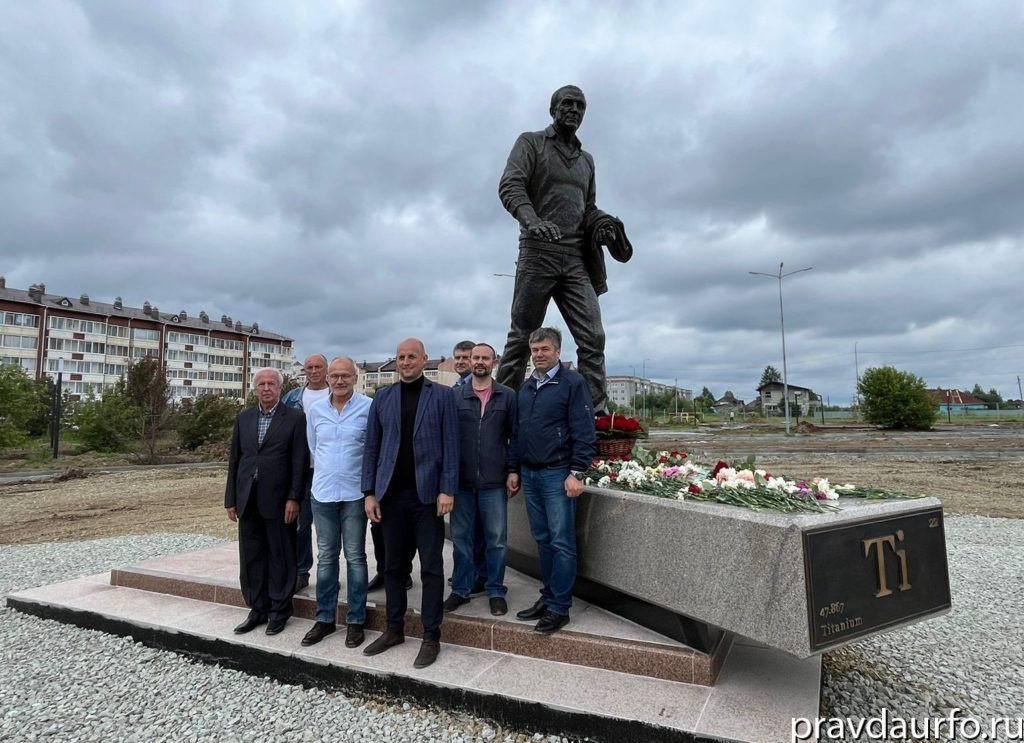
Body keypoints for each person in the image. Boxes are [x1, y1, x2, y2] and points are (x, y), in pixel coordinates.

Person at [495, 85, 632, 416]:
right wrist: (532, 220)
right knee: (521, 337)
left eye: (580, 105)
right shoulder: (531, 143)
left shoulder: (587, 161)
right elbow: (510, 186)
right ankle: (501, 411)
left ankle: (594, 414)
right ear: (552, 109)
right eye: (567, 104)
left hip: (575, 259)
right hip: (537, 253)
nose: (574, 109)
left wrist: (603, 224)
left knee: (593, 338)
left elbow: (588, 207)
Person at [361, 338, 459, 668]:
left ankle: (431, 636)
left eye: (411, 356)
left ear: (424, 359)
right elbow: (372, 449)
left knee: (431, 567)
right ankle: (394, 629)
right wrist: (369, 493)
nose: (405, 362)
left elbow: (451, 447)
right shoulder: (383, 397)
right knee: (393, 567)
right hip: (391, 497)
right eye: (401, 357)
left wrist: (447, 490)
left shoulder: (443, 396)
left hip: (427, 497)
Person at [513, 328, 596, 634]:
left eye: (545, 349)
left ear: (558, 351)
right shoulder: (527, 387)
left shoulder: (572, 383)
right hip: (530, 473)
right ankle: (547, 599)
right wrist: (514, 469)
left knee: (562, 542)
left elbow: (585, 431)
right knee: (544, 539)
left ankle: (560, 608)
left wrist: (577, 472)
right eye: (535, 350)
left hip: (557, 474)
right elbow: (519, 432)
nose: (539, 354)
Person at [224, 367, 308, 636]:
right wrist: (231, 500)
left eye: (272, 383)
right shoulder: (244, 418)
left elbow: (299, 463)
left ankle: (279, 611)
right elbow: (235, 460)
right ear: (255, 388)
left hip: (279, 500)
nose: (266, 388)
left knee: (280, 556)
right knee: (251, 557)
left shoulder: (295, 418)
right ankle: (257, 608)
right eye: (261, 384)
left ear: (280, 388)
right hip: (247, 499)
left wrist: (294, 498)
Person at [300, 357, 373, 649]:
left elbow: (372, 449)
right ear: (328, 379)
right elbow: (314, 447)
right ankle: (325, 618)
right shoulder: (316, 411)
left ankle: (356, 621)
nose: (339, 381)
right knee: (327, 558)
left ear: (355, 378)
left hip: (355, 495)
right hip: (324, 494)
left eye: (345, 376)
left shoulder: (368, 407)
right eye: (335, 376)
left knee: (355, 558)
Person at [444, 343, 518, 617]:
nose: (479, 361)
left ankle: (495, 589)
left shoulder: (507, 396)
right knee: (461, 539)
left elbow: (515, 437)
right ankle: (461, 589)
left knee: (496, 539)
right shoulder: (455, 397)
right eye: (475, 357)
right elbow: (447, 440)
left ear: (494, 362)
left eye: (485, 357)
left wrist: (512, 470)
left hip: (494, 483)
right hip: (461, 483)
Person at [281, 354, 330, 593]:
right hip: (300, 470)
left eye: (318, 366)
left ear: (326, 369)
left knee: (329, 526)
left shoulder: (337, 394)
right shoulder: (292, 398)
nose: (313, 371)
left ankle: (330, 572)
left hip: (328, 470)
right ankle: (301, 571)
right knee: (301, 523)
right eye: (309, 367)